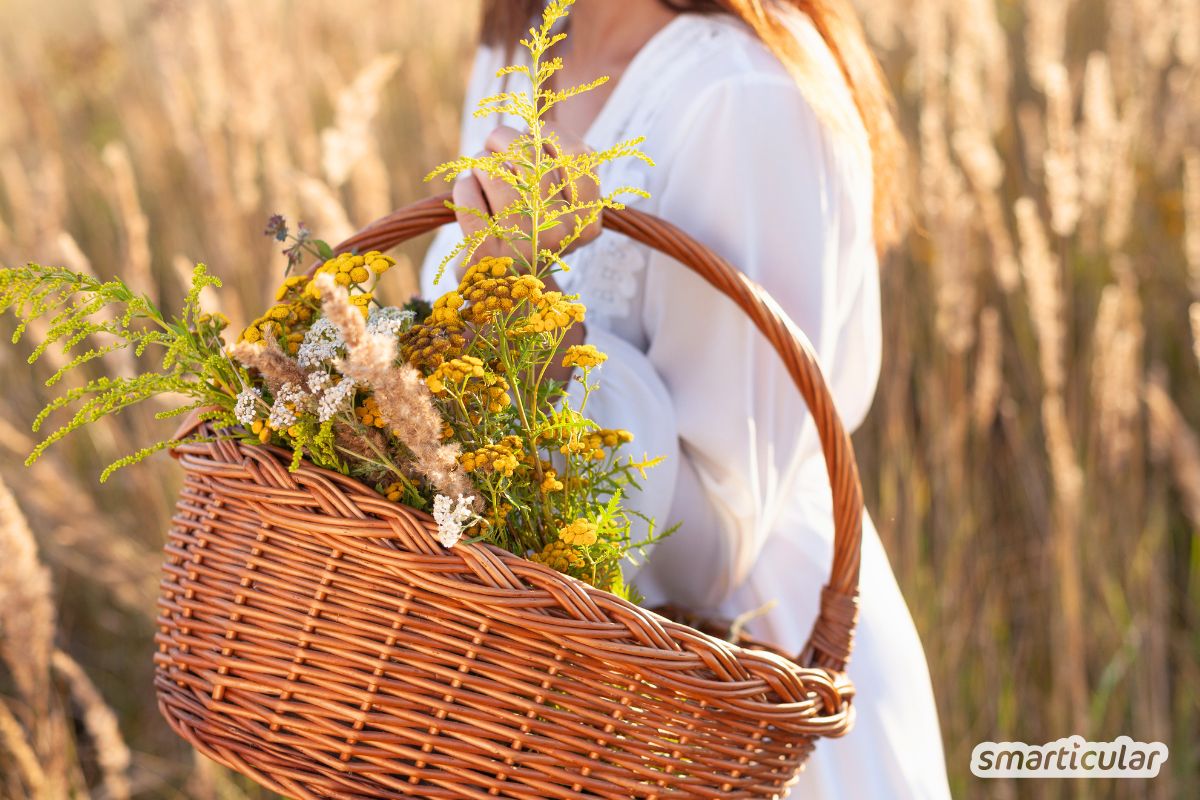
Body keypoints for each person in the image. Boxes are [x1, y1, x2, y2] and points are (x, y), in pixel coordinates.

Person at [419, 1, 951, 796]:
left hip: (724, 708)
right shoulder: (524, 40)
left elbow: (714, 551)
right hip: (538, 698)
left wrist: (532, 322)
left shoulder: (743, 91)